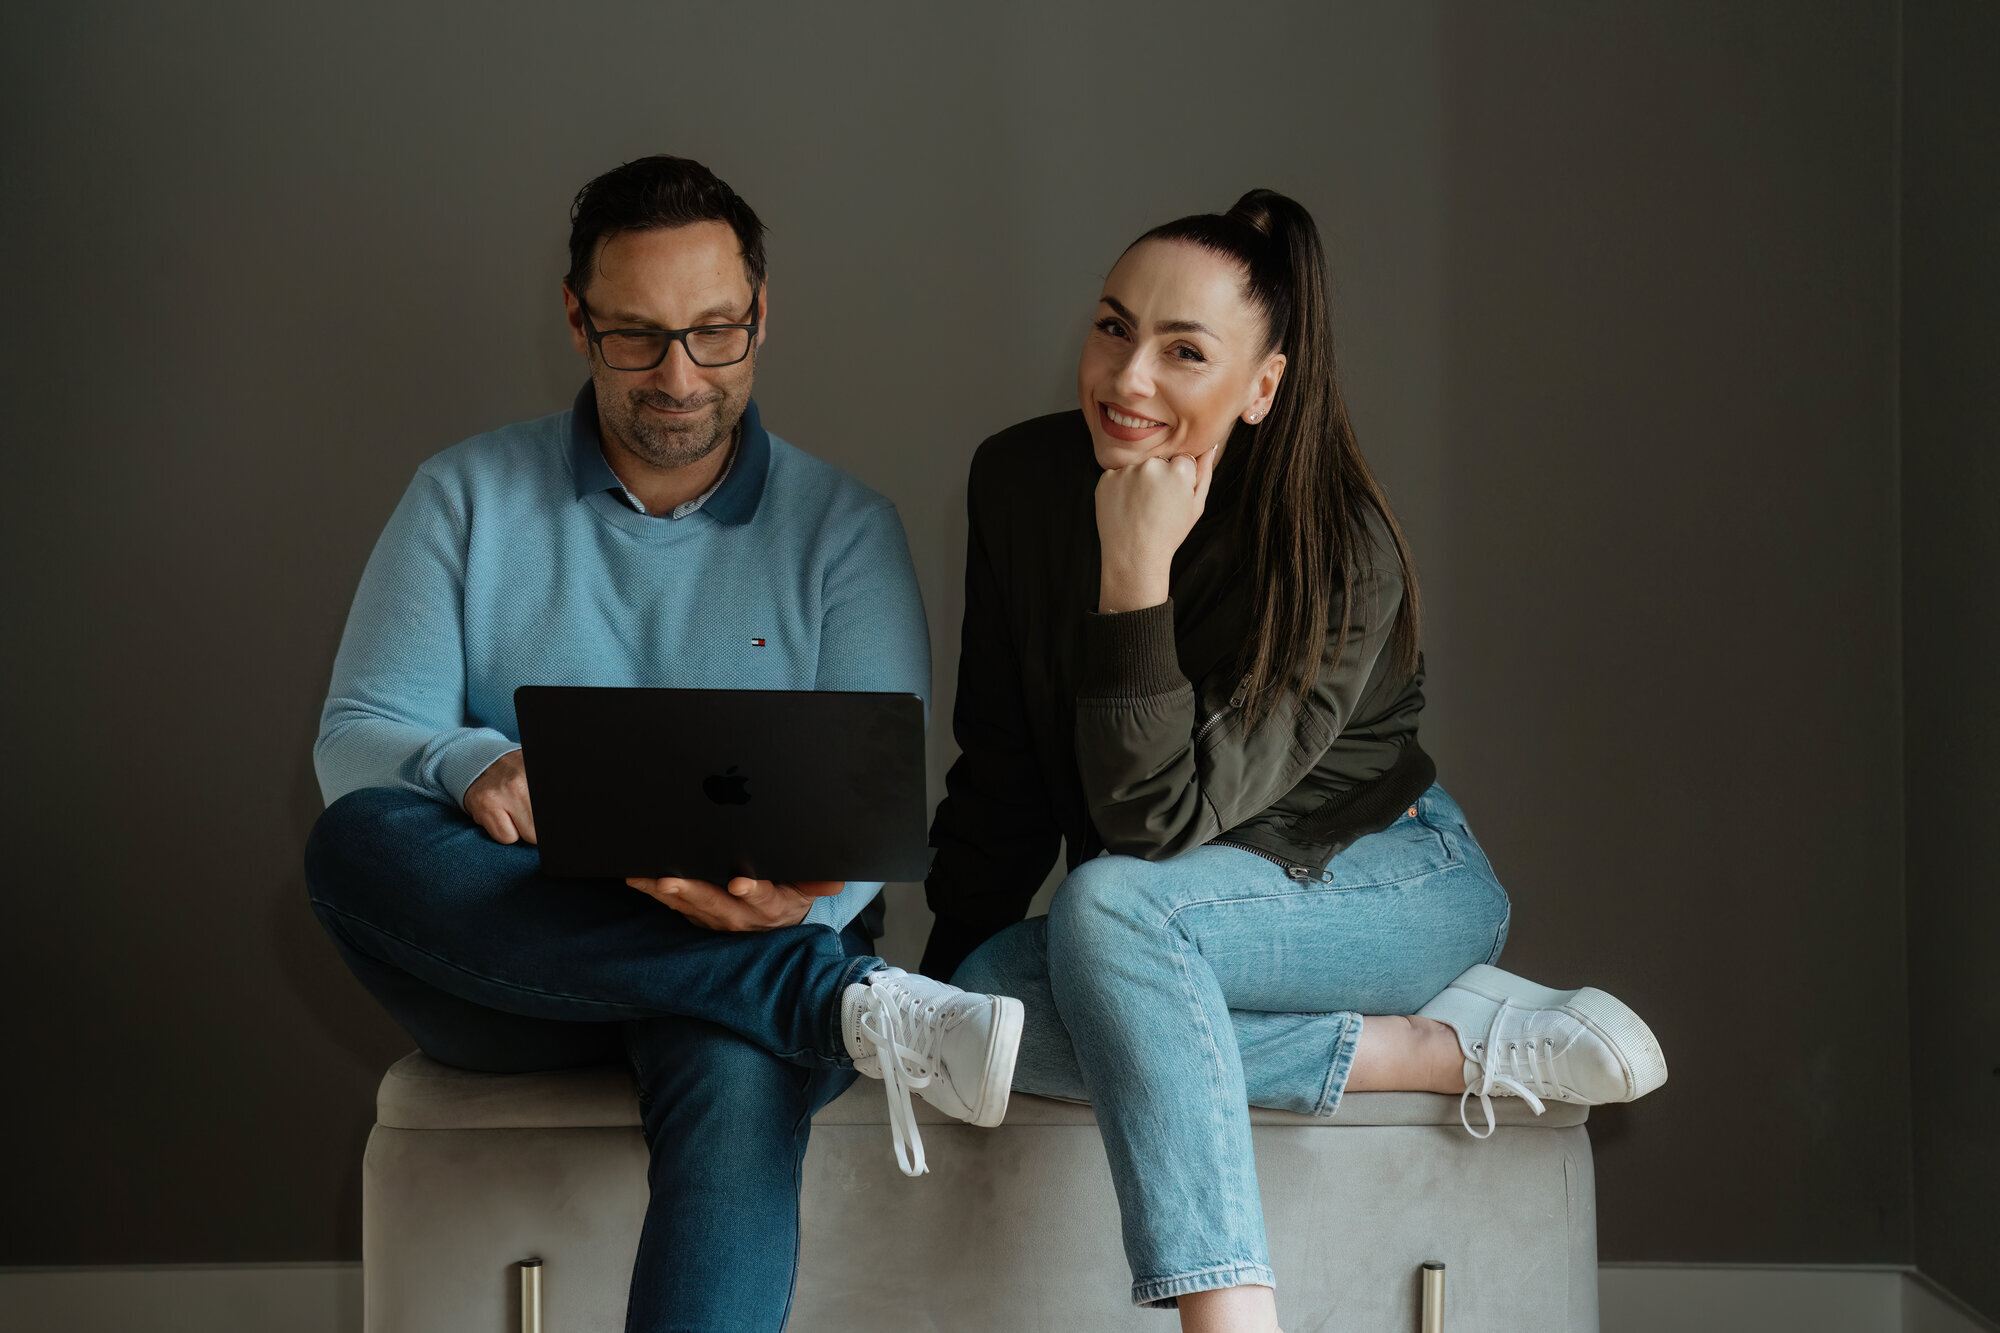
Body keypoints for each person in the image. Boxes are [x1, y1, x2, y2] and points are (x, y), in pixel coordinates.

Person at [925, 189, 1668, 1333]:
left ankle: (1230, 1321)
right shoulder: (1018, 482)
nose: (1127, 379)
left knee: (1115, 906)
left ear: (1260, 386)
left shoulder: (1336, 544)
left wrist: (1134, 576)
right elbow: (1005, 765)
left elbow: (1146, 827)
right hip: (1172, 912)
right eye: (1112, 328)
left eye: (1183, 352)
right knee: (983, 1004)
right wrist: (939, 978)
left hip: (1384, 876)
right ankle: (1418, 1048)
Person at [303, 154, 1022, 1333]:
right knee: (354, 841)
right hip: (518, 959)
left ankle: (776, 983)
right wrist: (469, 764)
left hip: (773, 929)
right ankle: (818, 1000)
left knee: (735, 1051)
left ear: (760, 315)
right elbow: (355, 740)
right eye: (635, 337)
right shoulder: (465, 495)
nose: (678, 375)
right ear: (577, 320)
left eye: (713, 332)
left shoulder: (846, 533)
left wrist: (793, 914)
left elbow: (868, 810)